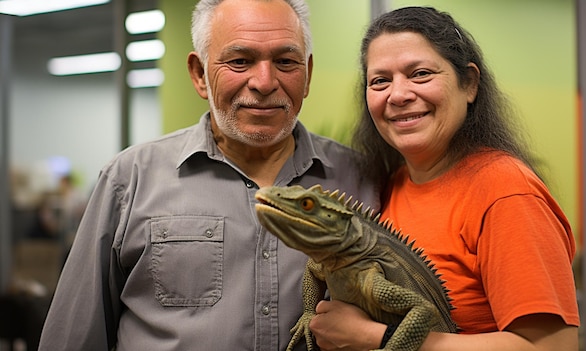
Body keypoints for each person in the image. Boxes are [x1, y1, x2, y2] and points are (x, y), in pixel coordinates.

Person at [37, 0, 378, 350]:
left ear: (306, 73)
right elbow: (72, 339)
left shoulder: (362, 181)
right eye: (240, 61)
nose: (264, 82)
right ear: (199, 74)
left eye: (285, 62)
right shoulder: (129, 180)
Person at [308, 6, 580, 351]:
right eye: (380, 80)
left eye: (420, 73)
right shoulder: (391, 185)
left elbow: (554, 347)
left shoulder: (505, 190)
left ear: (469, 84)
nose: (399, 94)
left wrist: (372, 338)